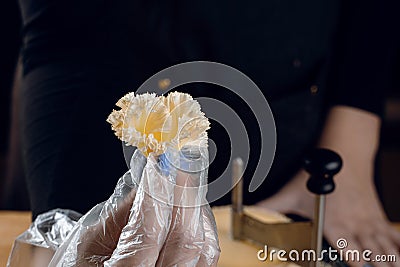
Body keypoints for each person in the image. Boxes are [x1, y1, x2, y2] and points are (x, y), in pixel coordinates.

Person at [16, 0, 399, 266]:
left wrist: (351, 148)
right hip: (97, 97)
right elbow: (62, 29)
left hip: (299, 130)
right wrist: (61, 225)